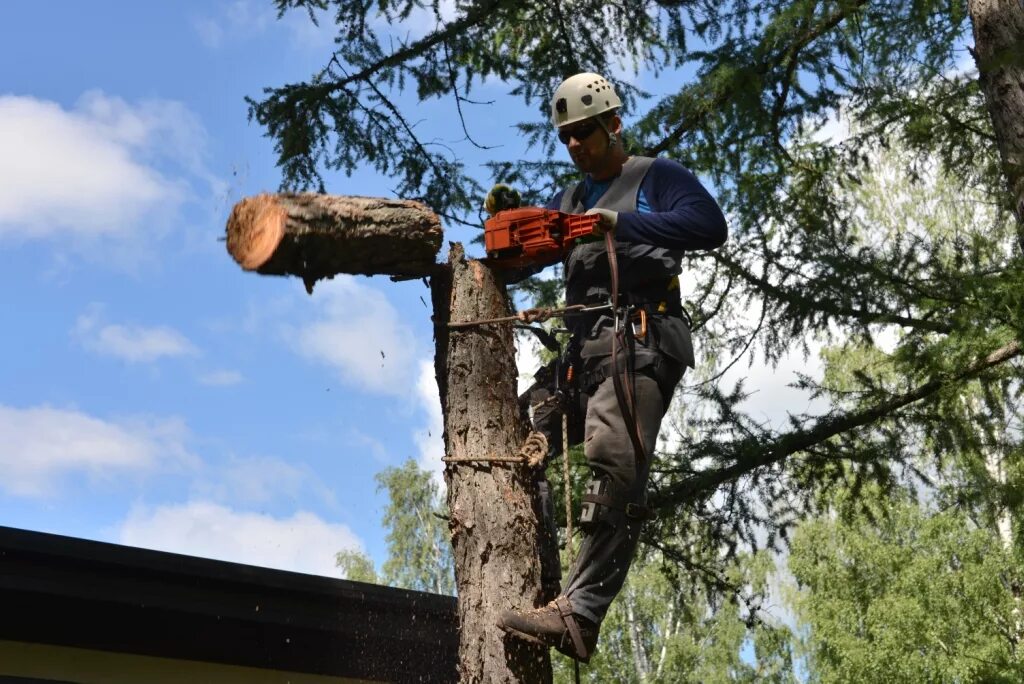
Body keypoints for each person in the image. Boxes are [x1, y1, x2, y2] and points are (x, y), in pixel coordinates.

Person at [496, 72, 728, 662]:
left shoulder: (656, 178)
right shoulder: (571, 201)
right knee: (515, 438)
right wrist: (510, 239)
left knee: (614, 466)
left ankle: (579, 615)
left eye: (584, 134)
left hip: (639, 341)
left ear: (613, 124)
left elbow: (709, 226)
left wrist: (622, 224)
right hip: (583, 355)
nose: (574, 146)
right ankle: (540, 578)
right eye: (566, 137)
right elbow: (529, 264)